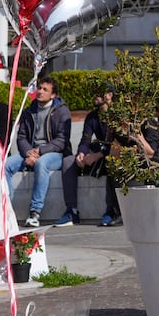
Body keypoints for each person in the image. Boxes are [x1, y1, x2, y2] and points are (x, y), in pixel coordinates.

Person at [4, 79, 72, 228]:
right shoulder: (30, 110)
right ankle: (6, 211)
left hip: (56, 154)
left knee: (42, 163)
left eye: (45, 90)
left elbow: (62, 140)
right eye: (39, 88)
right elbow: (21, 137)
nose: (40, 91)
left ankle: (35, 212)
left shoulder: (62, 111)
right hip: (31, 152)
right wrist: (29, 152)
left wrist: (40, 152)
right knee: (6, 165)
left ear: (53, 95)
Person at [55, 86, 115, 227]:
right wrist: (82, 153)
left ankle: (111, 212)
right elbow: (85, 139)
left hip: (112, 155)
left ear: (110, 95)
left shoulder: (118, 115)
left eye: (98, 93)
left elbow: (119, 143)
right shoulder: (92, 117)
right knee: (69, 161)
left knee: (113, 162)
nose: (95, 96)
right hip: (98, 156)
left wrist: (98, 155)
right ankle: (72, 211)